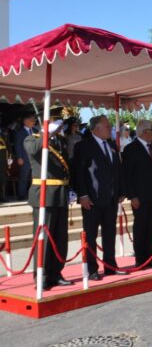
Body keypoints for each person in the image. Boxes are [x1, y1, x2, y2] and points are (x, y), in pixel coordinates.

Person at [73, 115, 127, 280]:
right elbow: (78, 173)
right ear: (96, 128)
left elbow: (117, 170)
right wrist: (82, 194)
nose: (110, 129)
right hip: (92, 199)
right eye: (107, 126)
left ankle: (110, 265)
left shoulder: (111, 145)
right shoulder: (83, 146)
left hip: (110, 198)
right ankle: (92, 269)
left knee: (110, 234)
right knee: (90, 235)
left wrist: (120, 191)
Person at [26, 119, 73, 289]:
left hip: (60, 193)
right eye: (54, 123)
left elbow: (66, 165)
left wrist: (72, 187)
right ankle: (41, 275)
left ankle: (56, 273)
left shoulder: (59, 141)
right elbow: (35, 150)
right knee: (44, 238)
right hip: (44, 195)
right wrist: (46, 133)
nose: (59, 128)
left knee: (60, 237)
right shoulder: (32, 139)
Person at [122, 120, 152, 268]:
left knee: (150, 226)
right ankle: (140, 258)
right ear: (143, 132)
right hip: (139, 196)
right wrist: (132, 195)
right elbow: (127, 175)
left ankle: (149, 256)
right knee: (140, 226)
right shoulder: (131, 149)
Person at [14, 113, 37, 200]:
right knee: (23, 177)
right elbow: (18, 145)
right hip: (24, 158)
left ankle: (33, 195)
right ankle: (21, 195)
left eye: (34, 120)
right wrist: (19, 157)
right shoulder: (19, 132)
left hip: (35, 159)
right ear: (25, 121)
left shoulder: (36, 131)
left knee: (35, 178)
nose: (34, 121)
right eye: (32, 120)